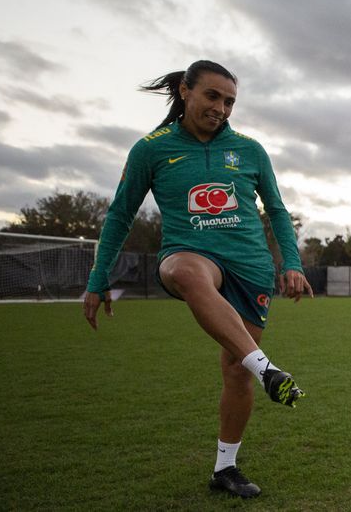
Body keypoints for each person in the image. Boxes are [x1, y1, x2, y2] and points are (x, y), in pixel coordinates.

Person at [83, 59, 313, 499]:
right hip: (190, 255)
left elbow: (278, 211)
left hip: (251, 267)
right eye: (212, 96)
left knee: (235, 369)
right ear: (186, 91)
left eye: (229, 101)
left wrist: (292, 264)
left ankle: (225, 469)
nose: (221, 108)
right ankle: (270, 371)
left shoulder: (250, 150)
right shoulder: (151, 149)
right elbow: (119, 214)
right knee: (186, 272)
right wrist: (97, 279)